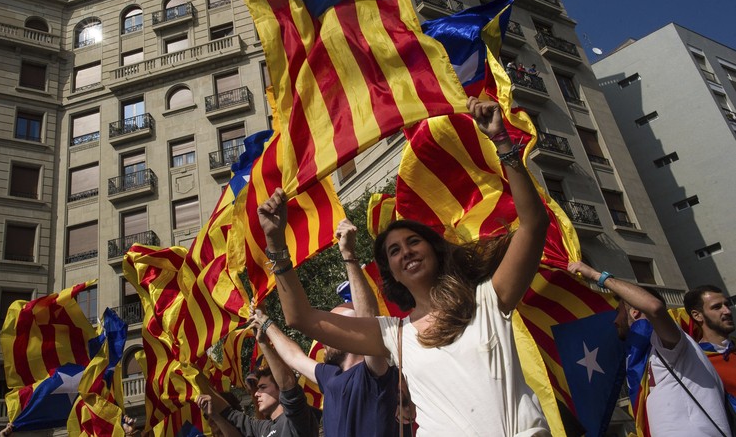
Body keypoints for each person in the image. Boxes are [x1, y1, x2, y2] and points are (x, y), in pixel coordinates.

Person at [259, 97, 551, 436]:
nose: (406, 252)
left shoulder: (488, 299)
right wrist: (276, 243)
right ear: (392, 272)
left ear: (436, 250)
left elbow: (533, 225)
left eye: (414, 241)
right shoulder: (394, 337)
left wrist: (503, 143)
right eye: (394, 251)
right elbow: (301, 318)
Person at [256, 218, 399, 437]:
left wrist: (348, 255)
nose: (323, 338)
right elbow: (294, 356)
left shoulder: (375, 374)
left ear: (353, 334)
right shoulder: (329, 375)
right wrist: (265, 323)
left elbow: (369, 322)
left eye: (334, 328)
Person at [569, 262, 732, 436]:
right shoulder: (646, 357)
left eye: (619, 312)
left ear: (635, 313)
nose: (615, 321)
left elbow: (654, 307)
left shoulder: (670, 343)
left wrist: (595, 275)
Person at [196, 313, 318, 437]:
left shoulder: (297, 419)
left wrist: (262, 342)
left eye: (263, 387)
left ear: (280, 390)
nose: (256, 393)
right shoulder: (262, 429)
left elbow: (287, 383)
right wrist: (193, 371)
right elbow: (229, 413)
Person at [685, 285, 736, 414]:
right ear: (697, 316)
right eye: (717, 307)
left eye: (727, 304)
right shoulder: (696, 363)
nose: (727, 311)